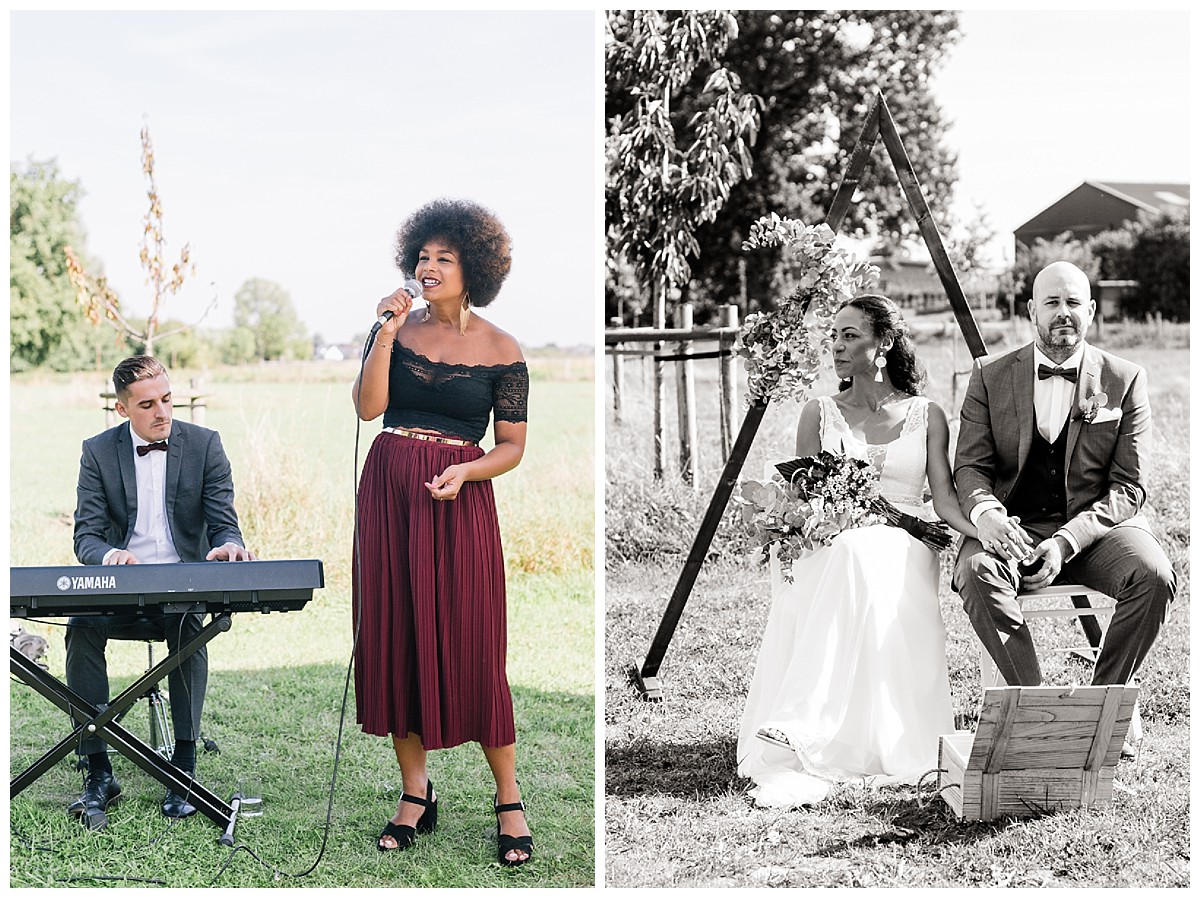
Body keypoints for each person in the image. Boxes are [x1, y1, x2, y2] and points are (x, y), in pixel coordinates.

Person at [738, 294, 977, 808]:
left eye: (850, 336)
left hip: (906, 546)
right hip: (832, 542)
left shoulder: (926, 414)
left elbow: (945, 495)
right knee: (845, 552)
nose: (837, 347)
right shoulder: (818, 413)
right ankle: (811, 723)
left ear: (884, 343)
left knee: (857, 554)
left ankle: (823, 722)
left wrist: (980, 527)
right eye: (835, 337)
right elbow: (801, 500)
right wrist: (782, 524)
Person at [351, 198, 533, 865]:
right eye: (422, 257)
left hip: (459, 498)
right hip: (391, 487)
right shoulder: (391, 330)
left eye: (443, 258)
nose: (428, 267)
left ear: (474, 268)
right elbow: (371, 408)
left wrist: (466, 471)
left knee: (475, 644)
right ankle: (414, 793)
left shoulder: (502, 348)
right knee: (397, 633)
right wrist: (386, 334)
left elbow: (510, 446)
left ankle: (508, 799)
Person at [953, 261, 1174, 700]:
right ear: (1032, 310)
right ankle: (1035, 707)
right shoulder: (988, 375)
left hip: (1094, 532)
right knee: (977, 572)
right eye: (1051, 302)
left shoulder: (1125, 379)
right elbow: (970, 466)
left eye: (1073, 302)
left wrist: (1065, 541)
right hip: (1014, 526)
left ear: (1091, 310)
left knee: (1154, 574)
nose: (1062, 312)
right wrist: (988, 515)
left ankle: (1101, 706)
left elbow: (1129, 487)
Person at [69, 355, 256, 830]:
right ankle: (97, 769)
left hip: (179, 590)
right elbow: (86, 537)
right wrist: (111, 557)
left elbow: (223, 523)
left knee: (190, 626)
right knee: (80, 627)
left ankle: (183, 766)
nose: (162, 412)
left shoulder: (205, 444)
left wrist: (229, 547)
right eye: (148, 404)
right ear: (122, 409)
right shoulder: (97, 451)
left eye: (168, 400)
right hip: (119, 590)